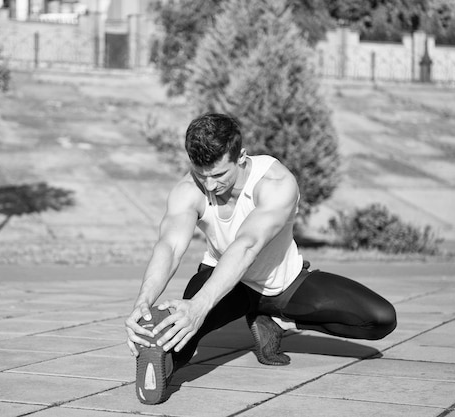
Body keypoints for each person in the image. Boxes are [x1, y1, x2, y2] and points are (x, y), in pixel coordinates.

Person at [125, 113, 397, 404]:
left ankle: (277, 321)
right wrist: (144, 301)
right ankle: (162, 363)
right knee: (181, 332)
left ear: (241, 157)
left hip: (283, 284)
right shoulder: (187, 189)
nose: (210, 186)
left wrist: (200, 306)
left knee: (380, 319)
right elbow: (169, 245)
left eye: (219, 176)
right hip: (227, 281)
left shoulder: (276, 182)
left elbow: (247, 244)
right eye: (201, 175)